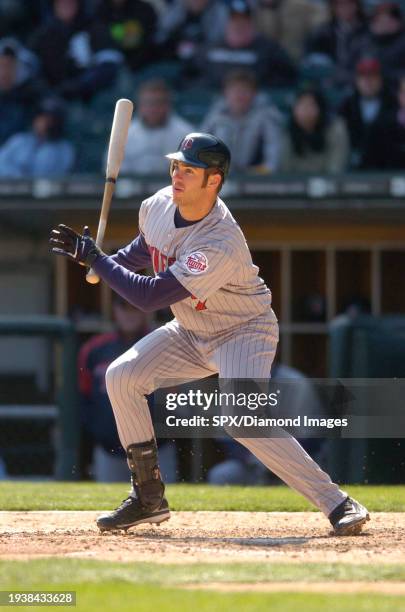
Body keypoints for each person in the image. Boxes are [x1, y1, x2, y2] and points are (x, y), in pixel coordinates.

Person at [50, 131, 370, 536]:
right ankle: (148, 497)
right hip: (190, 328)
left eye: (189, 170)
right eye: (175, 166)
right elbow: (141, 253)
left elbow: (150, 296)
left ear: (214, 180)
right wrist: (98, 260)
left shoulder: (219, 240)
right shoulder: (157, 205)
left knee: (242, 419)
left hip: (243, 330)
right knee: (122, 375)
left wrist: (98, 260)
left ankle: (338, 503)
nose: (177, 175)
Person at [78, 295, 177, 482]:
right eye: (125, 308)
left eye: (135, 308)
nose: (130, 314)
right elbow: (83, 397)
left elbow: (175, 398)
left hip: (157, 450)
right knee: (109, 506)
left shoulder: (163, 345)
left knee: (163, 503)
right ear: (115, 310)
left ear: (145, 310)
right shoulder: (95, 349)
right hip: (110, 450)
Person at [29, 0, 123, 101]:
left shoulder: (94, 28)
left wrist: (80, 85)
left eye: (70, 2)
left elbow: (109, 65)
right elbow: (33, 72)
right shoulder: (42, 35)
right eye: (61, 2)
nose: (66, 5)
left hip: (93, 98)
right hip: (55, 100)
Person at [198, 0, 296, 89]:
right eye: (234, 20)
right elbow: (190, 75)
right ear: (227, 23)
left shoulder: (269, 49)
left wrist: (262, 89)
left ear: (252, 24)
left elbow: (289, 75)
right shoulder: (210, 48)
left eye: (244, 21)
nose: (239, 25)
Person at [201, 69, 283, 173]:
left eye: (245, 90)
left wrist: (260, 173)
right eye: (235, 90)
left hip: (257, 179)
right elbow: (199, 149)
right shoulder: (215, 115)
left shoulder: (266, 115)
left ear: (254, 94)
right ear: (225, 92)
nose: (240, 94)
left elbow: (273, 160)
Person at [118, 79, 193, 175]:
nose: (153, 108)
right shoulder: (125, 133)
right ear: (140, 105)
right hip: (132, 188)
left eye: (158, 102)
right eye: (148, 102)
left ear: (168, 105)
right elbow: (116, 173)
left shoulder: (186, 135)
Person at [339, 56, 396, 170]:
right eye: (363, 77)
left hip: (389, 168)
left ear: (380, 79)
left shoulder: (393, 103)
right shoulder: (346, 106)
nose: (368, 81)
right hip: (353, 168)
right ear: (356, 80)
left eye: (372, 76)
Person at [280, 87, 349, 174]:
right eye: (300, 105)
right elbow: (285, 170)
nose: (304, 110)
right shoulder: (288, 132)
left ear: (320, 108)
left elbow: (335, 168)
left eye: (310, 105)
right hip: (296, 185)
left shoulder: (336, 129)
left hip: (328, 185)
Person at [0, 97, 75, 178]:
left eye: (50, 119)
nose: (43, 122)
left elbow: (59, 178)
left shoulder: (64, 149)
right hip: (12, 188)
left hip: (46, 189)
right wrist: (19, 179)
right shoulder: (19, 140)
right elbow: (2, 163)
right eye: (41, 117)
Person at [303, 0, 369, 89]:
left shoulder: (368, 30)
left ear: (356, 5)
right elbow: (311, 60)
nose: (345, 8)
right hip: (330, 81)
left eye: (349, 4)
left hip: (360, 81)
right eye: (340, 4)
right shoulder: (321, 33)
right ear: (333, 7)